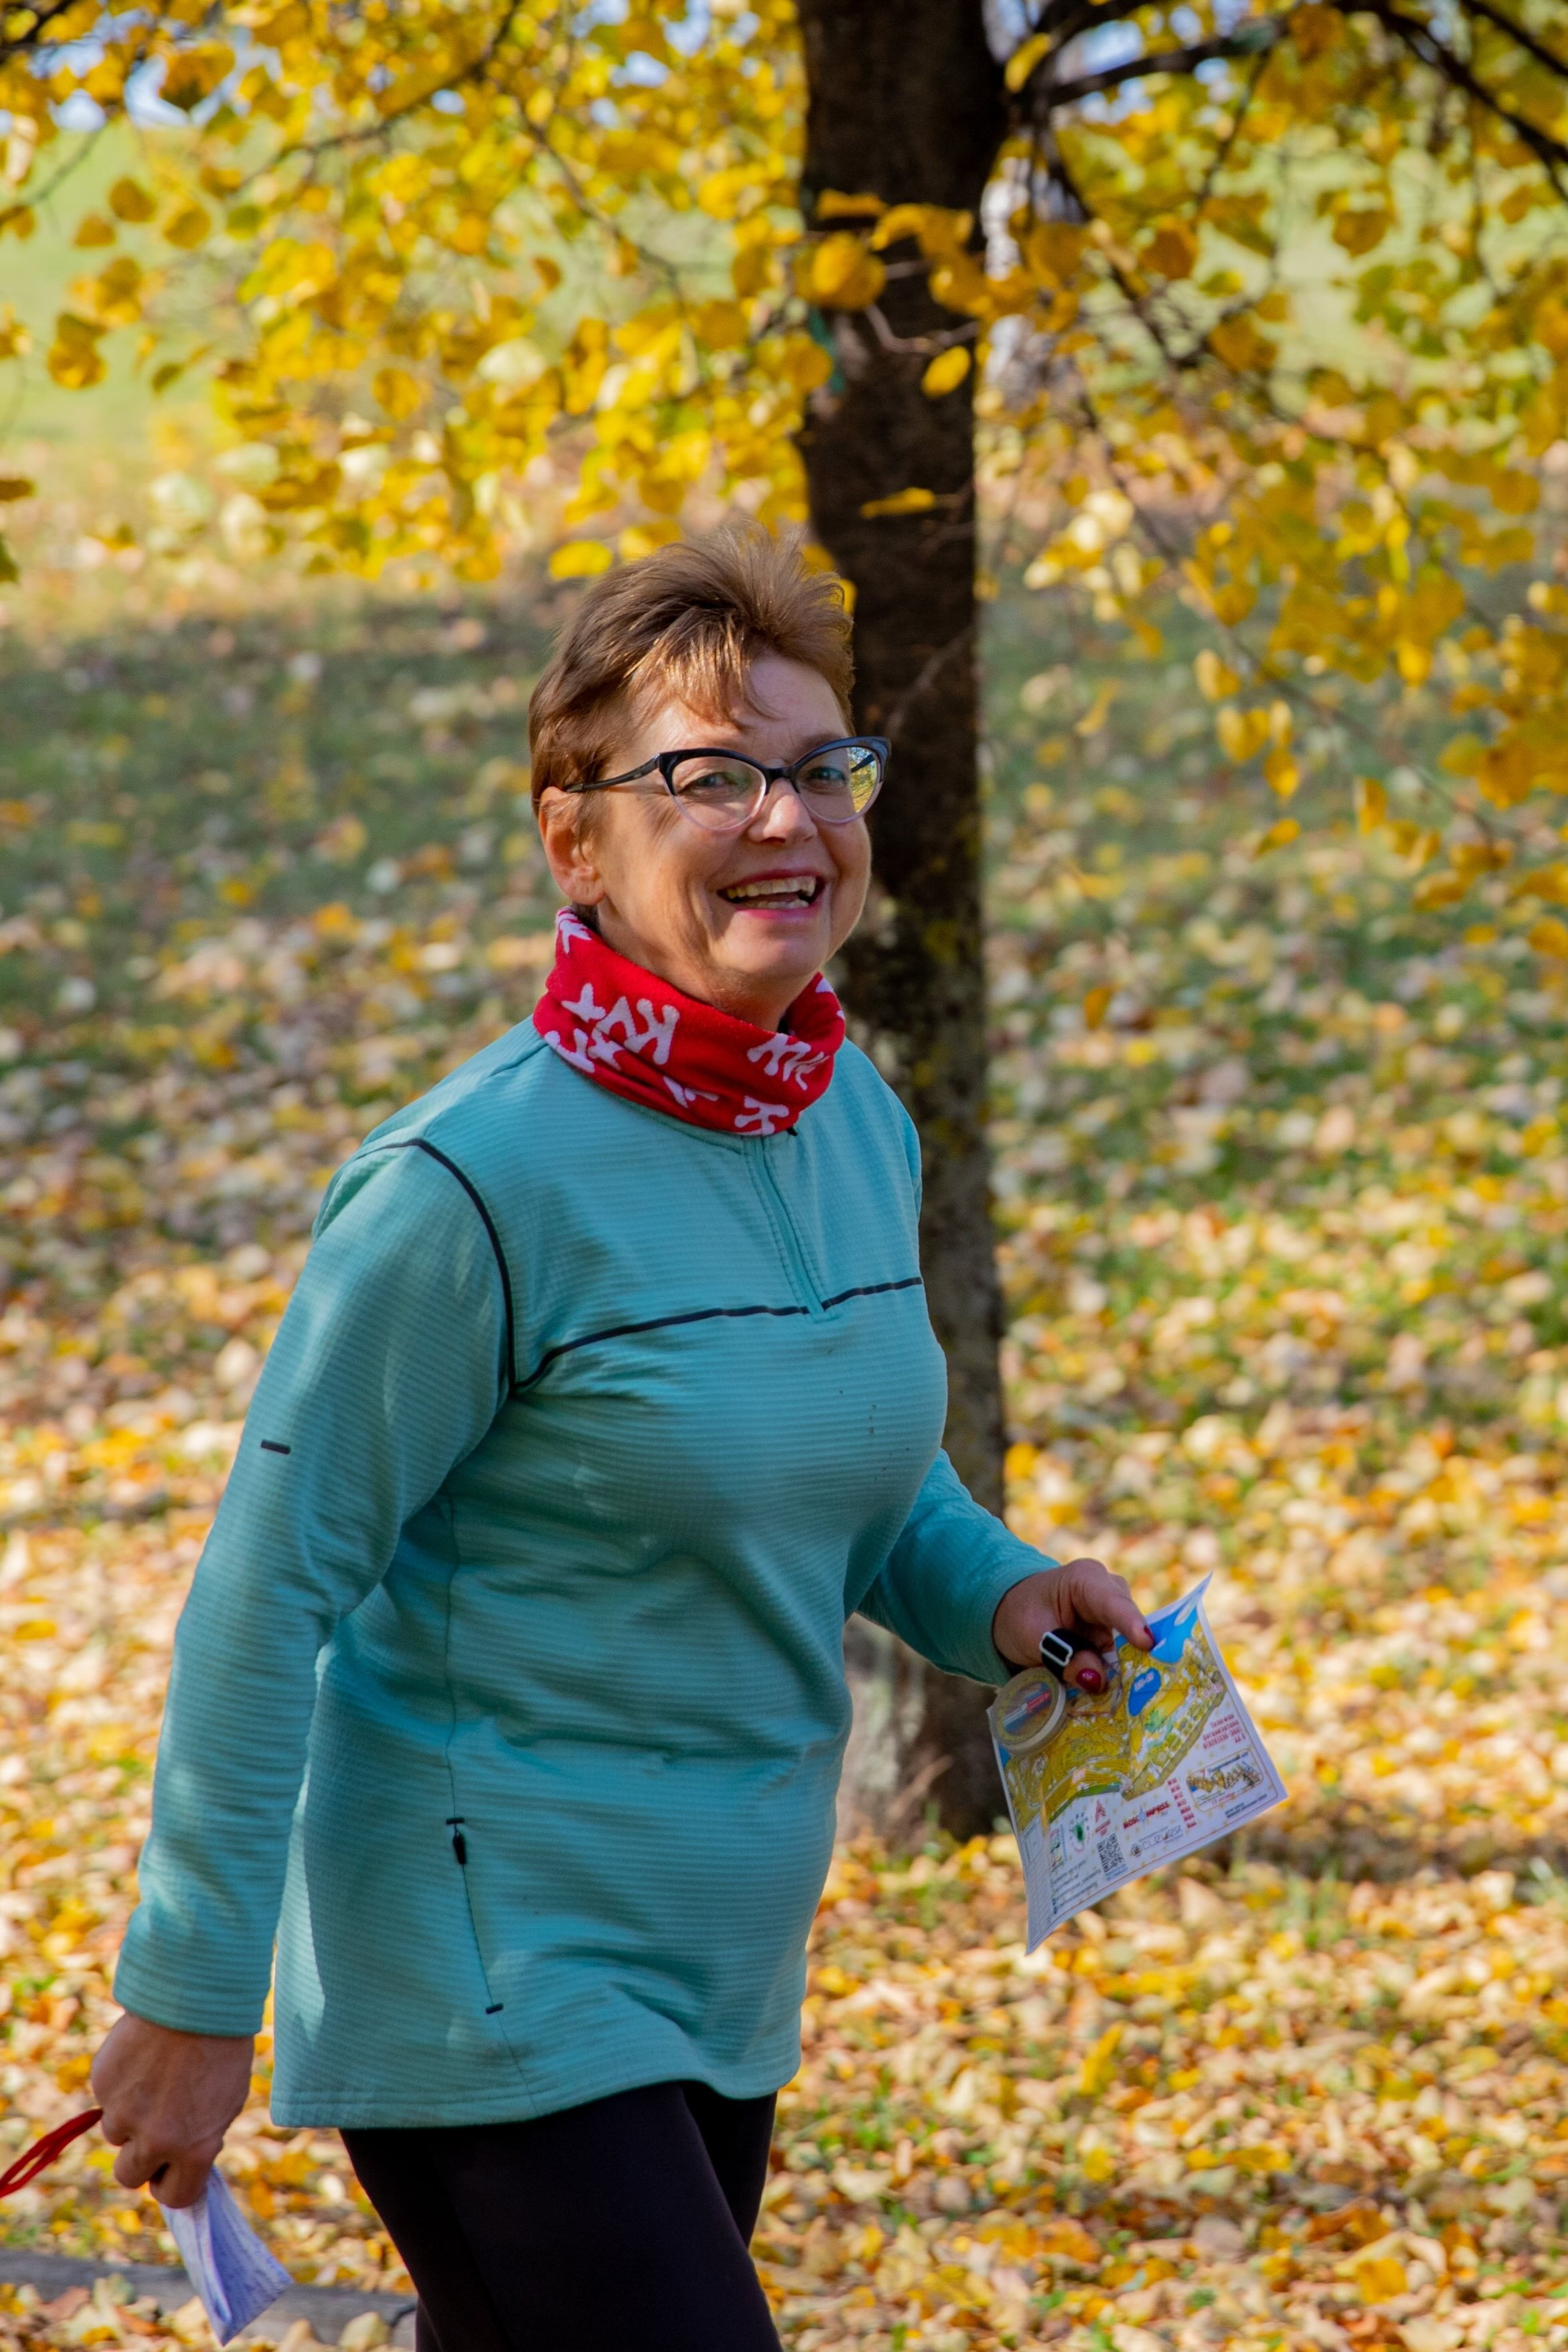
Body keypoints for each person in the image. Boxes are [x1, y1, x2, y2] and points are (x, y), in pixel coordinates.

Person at [91, 530, 1154, 2351]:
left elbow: (870, 1480)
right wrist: (192, 1993)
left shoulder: (849, 1122)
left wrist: (1003, 1590)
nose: (788, 820)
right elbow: (267, 1595)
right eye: (712, 777)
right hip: (492, 1951)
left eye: (825, 770)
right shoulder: (465, 1187)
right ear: (575, 838)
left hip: (721, 1956)